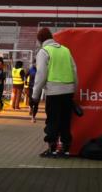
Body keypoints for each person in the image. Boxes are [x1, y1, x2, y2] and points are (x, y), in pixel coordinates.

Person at [30, 27, 79, 158]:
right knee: (65, 121)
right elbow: (74, 71)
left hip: (53, 91)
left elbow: (40, 75)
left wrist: (35, 95)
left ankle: (52, 148)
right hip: (68, 91)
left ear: (40, 40)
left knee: (52, 121)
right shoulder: (65, 50)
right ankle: (66, 148)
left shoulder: (44, 51)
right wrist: (74, 89)